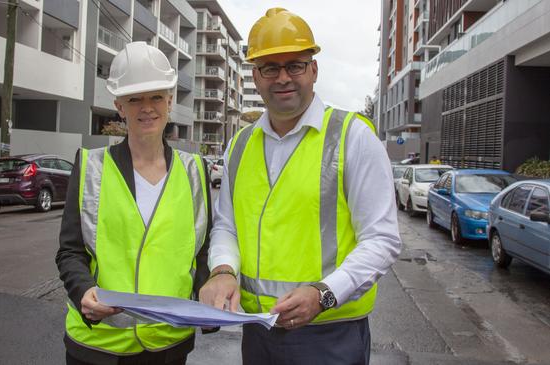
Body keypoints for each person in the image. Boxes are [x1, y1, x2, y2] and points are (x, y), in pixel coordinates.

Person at [199, 8, 401, 365]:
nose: (283, 78)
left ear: (314, 70)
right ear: (255, 76)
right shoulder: (240, 145)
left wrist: (323, 294)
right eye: (270, 68)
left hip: (331, 334)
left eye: (295, 65)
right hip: (258, 333)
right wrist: (223, 270)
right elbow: (227, 226)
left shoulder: (352, 137)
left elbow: (382, 239)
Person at [56, 41, 212, 365]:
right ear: (119, 105)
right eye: (134, 98)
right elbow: (70, 251)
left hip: (168, 344)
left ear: (170, 101)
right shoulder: (90, 166)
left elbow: (202, 252)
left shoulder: (194, 170)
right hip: (98, 345)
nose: (147, 107)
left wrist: (209, 297)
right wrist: (84, 291)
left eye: (156, 96)